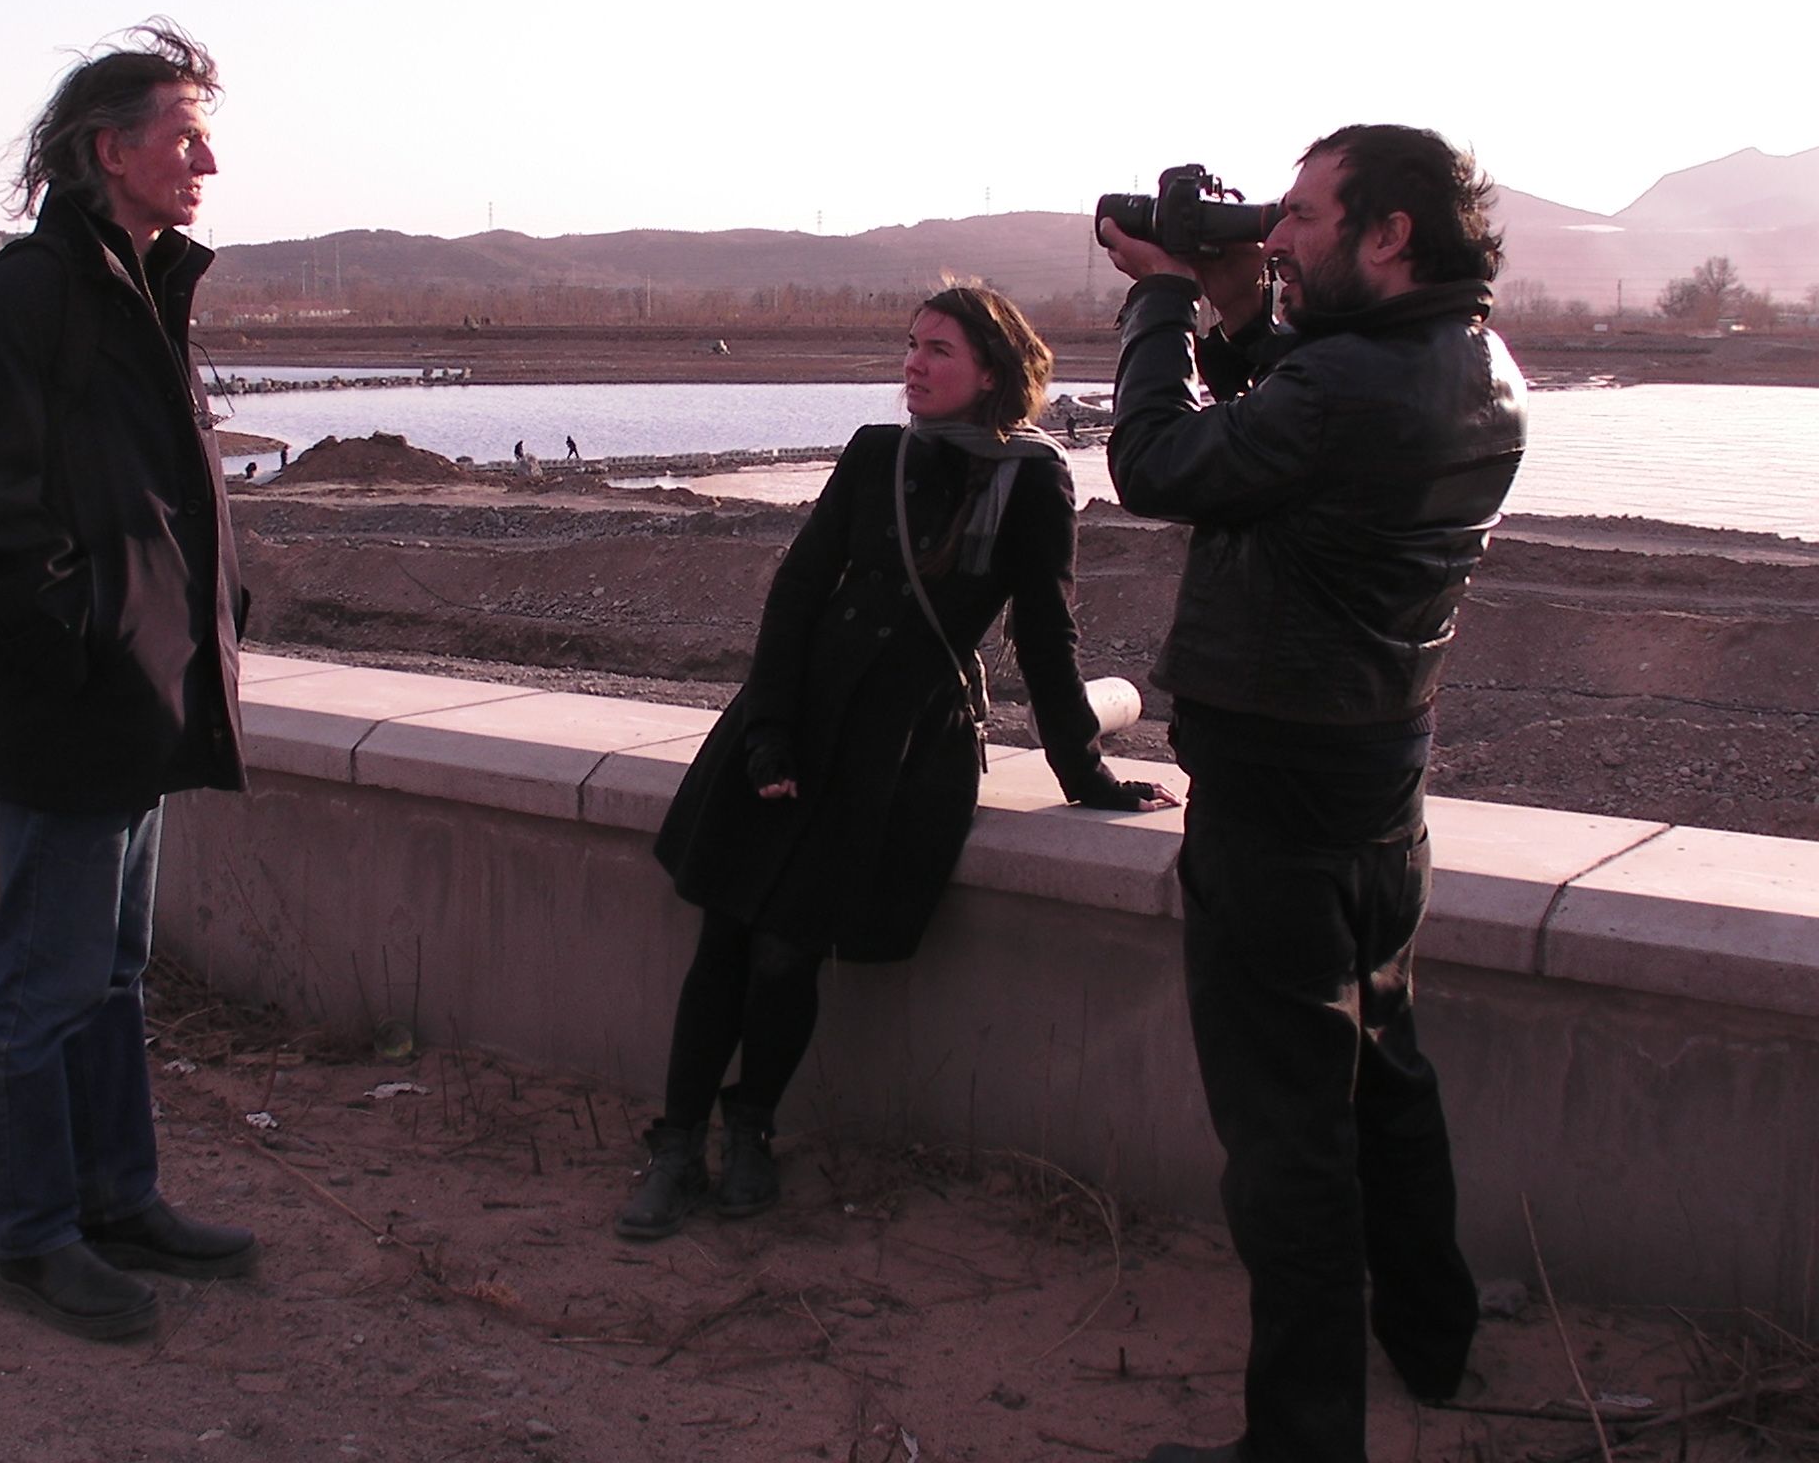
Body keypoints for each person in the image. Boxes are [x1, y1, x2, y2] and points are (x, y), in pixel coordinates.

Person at [1097, 125, 1529, 1463]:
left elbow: (1158, 466)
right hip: (1380, 782)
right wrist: (1236, 305)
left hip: (1276, 796)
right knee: (1385, 1076)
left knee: (1288, 1140)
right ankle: (1434, 1340)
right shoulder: (1479, 366)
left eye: (1300, 219)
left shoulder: (1352, 386)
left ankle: (1299, 1445)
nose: (1274, 238)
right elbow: (1298, 414)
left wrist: (1164, 294)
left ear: (1389, 235)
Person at [623, 282, 1177, 1240]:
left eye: (939, 351)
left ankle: (751, 1129)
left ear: (994, 375)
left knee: (791, 951)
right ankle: (675, 1145)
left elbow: (1046, 640)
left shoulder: (1035, 482)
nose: (913, 365)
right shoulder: (878, 453)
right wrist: (767, 734)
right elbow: (798, 589)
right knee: (724, 941)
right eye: (911, 344)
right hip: (792, 716)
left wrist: (1085, 773)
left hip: (900, 748)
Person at [0, 22, 257, 1342]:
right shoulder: (28, 302)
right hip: (78, 700)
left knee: (112, 970)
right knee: (42, 982)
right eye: (180, 137)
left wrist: (199, 622)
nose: (206, 162)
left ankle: (120, 1200)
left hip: (144, 694)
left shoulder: (140, 288)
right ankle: (36, 1236)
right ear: (109, 151)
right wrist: (92, 636)